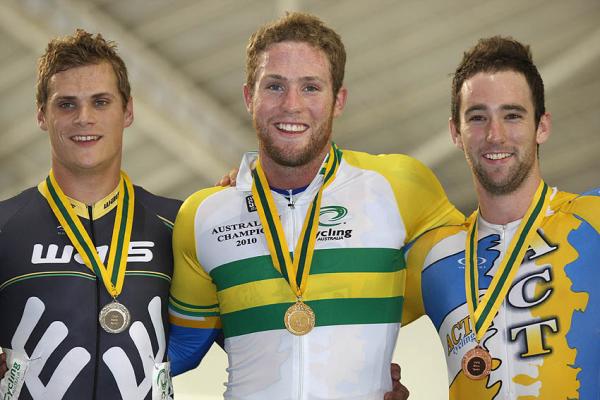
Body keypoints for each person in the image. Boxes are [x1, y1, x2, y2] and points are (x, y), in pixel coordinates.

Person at [168, 12, 461, 399]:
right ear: (249, 97)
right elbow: (179, 350)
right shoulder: (204, 215)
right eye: (274, 86)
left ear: (338, 100)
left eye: (310, 87)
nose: (291, 104)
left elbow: (477, 275)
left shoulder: (399, 186)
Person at [392, 36, 600, 399]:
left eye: (512, 115)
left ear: (542, 126)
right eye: (477, 117)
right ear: (456, 132)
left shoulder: (592, 219)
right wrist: (370, 384)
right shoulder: (431, 255)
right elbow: (339, 325)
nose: (494, 134)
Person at [0, 29, 180, 399]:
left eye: (100, 102)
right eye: (66, 104)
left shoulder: (180, 225)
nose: (84, 118)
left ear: (127, 111)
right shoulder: (5, 226)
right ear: (42, 115)